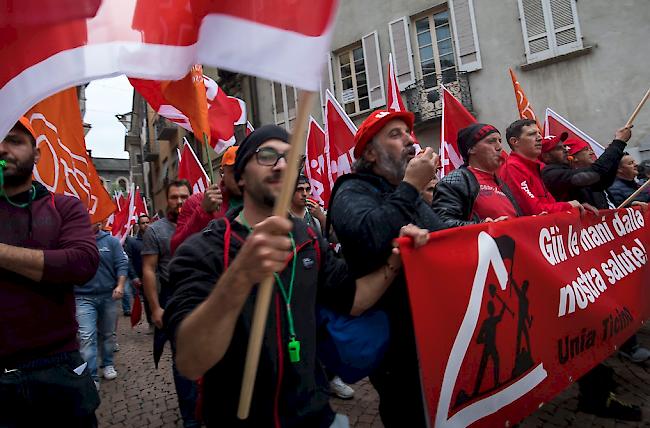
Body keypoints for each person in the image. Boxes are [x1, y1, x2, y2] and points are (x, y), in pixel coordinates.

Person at [164, 125, 429, 427]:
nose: (280, 165)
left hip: (315, 415)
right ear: (239, 177)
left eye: (290, 159)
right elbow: (190, 360)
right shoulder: (203, 250)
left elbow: (354, 300)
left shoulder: (307, 239)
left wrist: (396, 260)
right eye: (267, 156)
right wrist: (239, 277)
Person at [328, 110, 446, 427]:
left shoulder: (405, 193)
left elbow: (442, 236)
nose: (410, 140)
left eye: (409, 133)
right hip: (393, 339)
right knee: (408, 412)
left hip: (431, 329)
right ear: (370, 153)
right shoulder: (351, 190)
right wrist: (410, 186)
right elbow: (369, 236)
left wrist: (483, 231)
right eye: (396, 135)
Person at [0, 117, 100, 426]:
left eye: (14, 141)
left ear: (37, 154)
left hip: (59, 368)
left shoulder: (64, 207)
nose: (3, 149)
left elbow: (81, 263)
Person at [141, 179, 199, 427]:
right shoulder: (156, 231)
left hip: (204, 297)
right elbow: (149, 270)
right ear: (167, 200)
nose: (179, 202)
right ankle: (190, 416)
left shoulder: (202, 224)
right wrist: (155, 307)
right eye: (174, 197)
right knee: (183, 360)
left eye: (184, 196)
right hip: (174, 301)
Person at [433, 123, 521, 227]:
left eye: (499, 141)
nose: (499, 147)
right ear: (471, 149)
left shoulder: (502, 184)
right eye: (491, 141)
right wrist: (482, 226)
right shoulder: (455, 181)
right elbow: (443, 223)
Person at [75, 220, 128, 387]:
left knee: (108, 334)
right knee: (86, 337)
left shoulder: (111, 241)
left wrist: (120, 285)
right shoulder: (75, 242)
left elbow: (121, 264)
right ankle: (91, 376)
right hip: (83, 297)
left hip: (108, 296)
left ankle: (108, 363)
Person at [500, 119, 591, 215]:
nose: (539, 138)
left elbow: (550, 205)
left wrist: (576, 208)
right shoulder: (512, 167)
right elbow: (535, 210)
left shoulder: (536, 167)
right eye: (532, 134)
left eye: (539, 133)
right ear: (515, 141)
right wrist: (569, 206)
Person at [170, 145, 242, 254]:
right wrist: (203, 211)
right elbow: (177, 248)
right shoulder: (196, 202)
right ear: (222, 173)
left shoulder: (262, 200)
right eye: (234, 171)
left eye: (245, 170)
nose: (241, 177)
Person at [541, 127, 631, 209]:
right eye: (558, 148)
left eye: (564, 146)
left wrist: (615, 154)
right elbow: (596, 172)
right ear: (546, 156)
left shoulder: (568, 171)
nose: (565, 150)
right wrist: (618, 143)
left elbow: (603, 181)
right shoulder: (551, 174)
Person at [124, 214, 153, 331]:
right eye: (143, 223)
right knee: (147, 300)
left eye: (147, 222)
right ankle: (152, 323)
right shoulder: (133, 242)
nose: (146, 225)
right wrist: (134, 276)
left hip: (158, 275)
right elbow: (128, 260)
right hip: (143, 276)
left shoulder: (156, 237)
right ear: (139, 225)